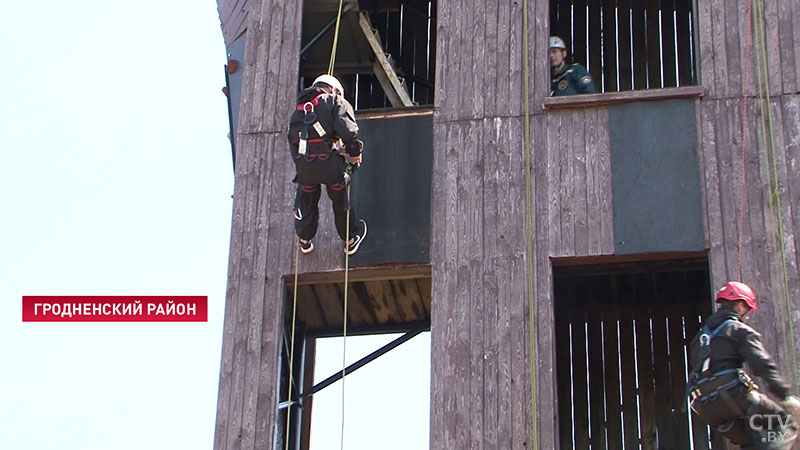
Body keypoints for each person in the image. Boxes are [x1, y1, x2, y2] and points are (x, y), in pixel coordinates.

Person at [687, 281, 800, 449]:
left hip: (706, 408)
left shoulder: (699, 339)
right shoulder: (738, 329)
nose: (746, 315)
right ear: (740, 305)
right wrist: (785, 396)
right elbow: (763, 365)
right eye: (747, 309)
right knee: (786, 425)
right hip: (733, 395)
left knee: (752, 443)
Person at [287, 74, 367, 255]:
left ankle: (304, 240)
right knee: (340, 198)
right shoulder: (335, 101)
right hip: (331, 165)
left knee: (306, 196)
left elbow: (294, 144)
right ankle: (350, 239)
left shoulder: (298, 112)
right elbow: (348, 132)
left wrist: (303, 167)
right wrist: (355, 155)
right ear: (335, 89)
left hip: (305, 167)